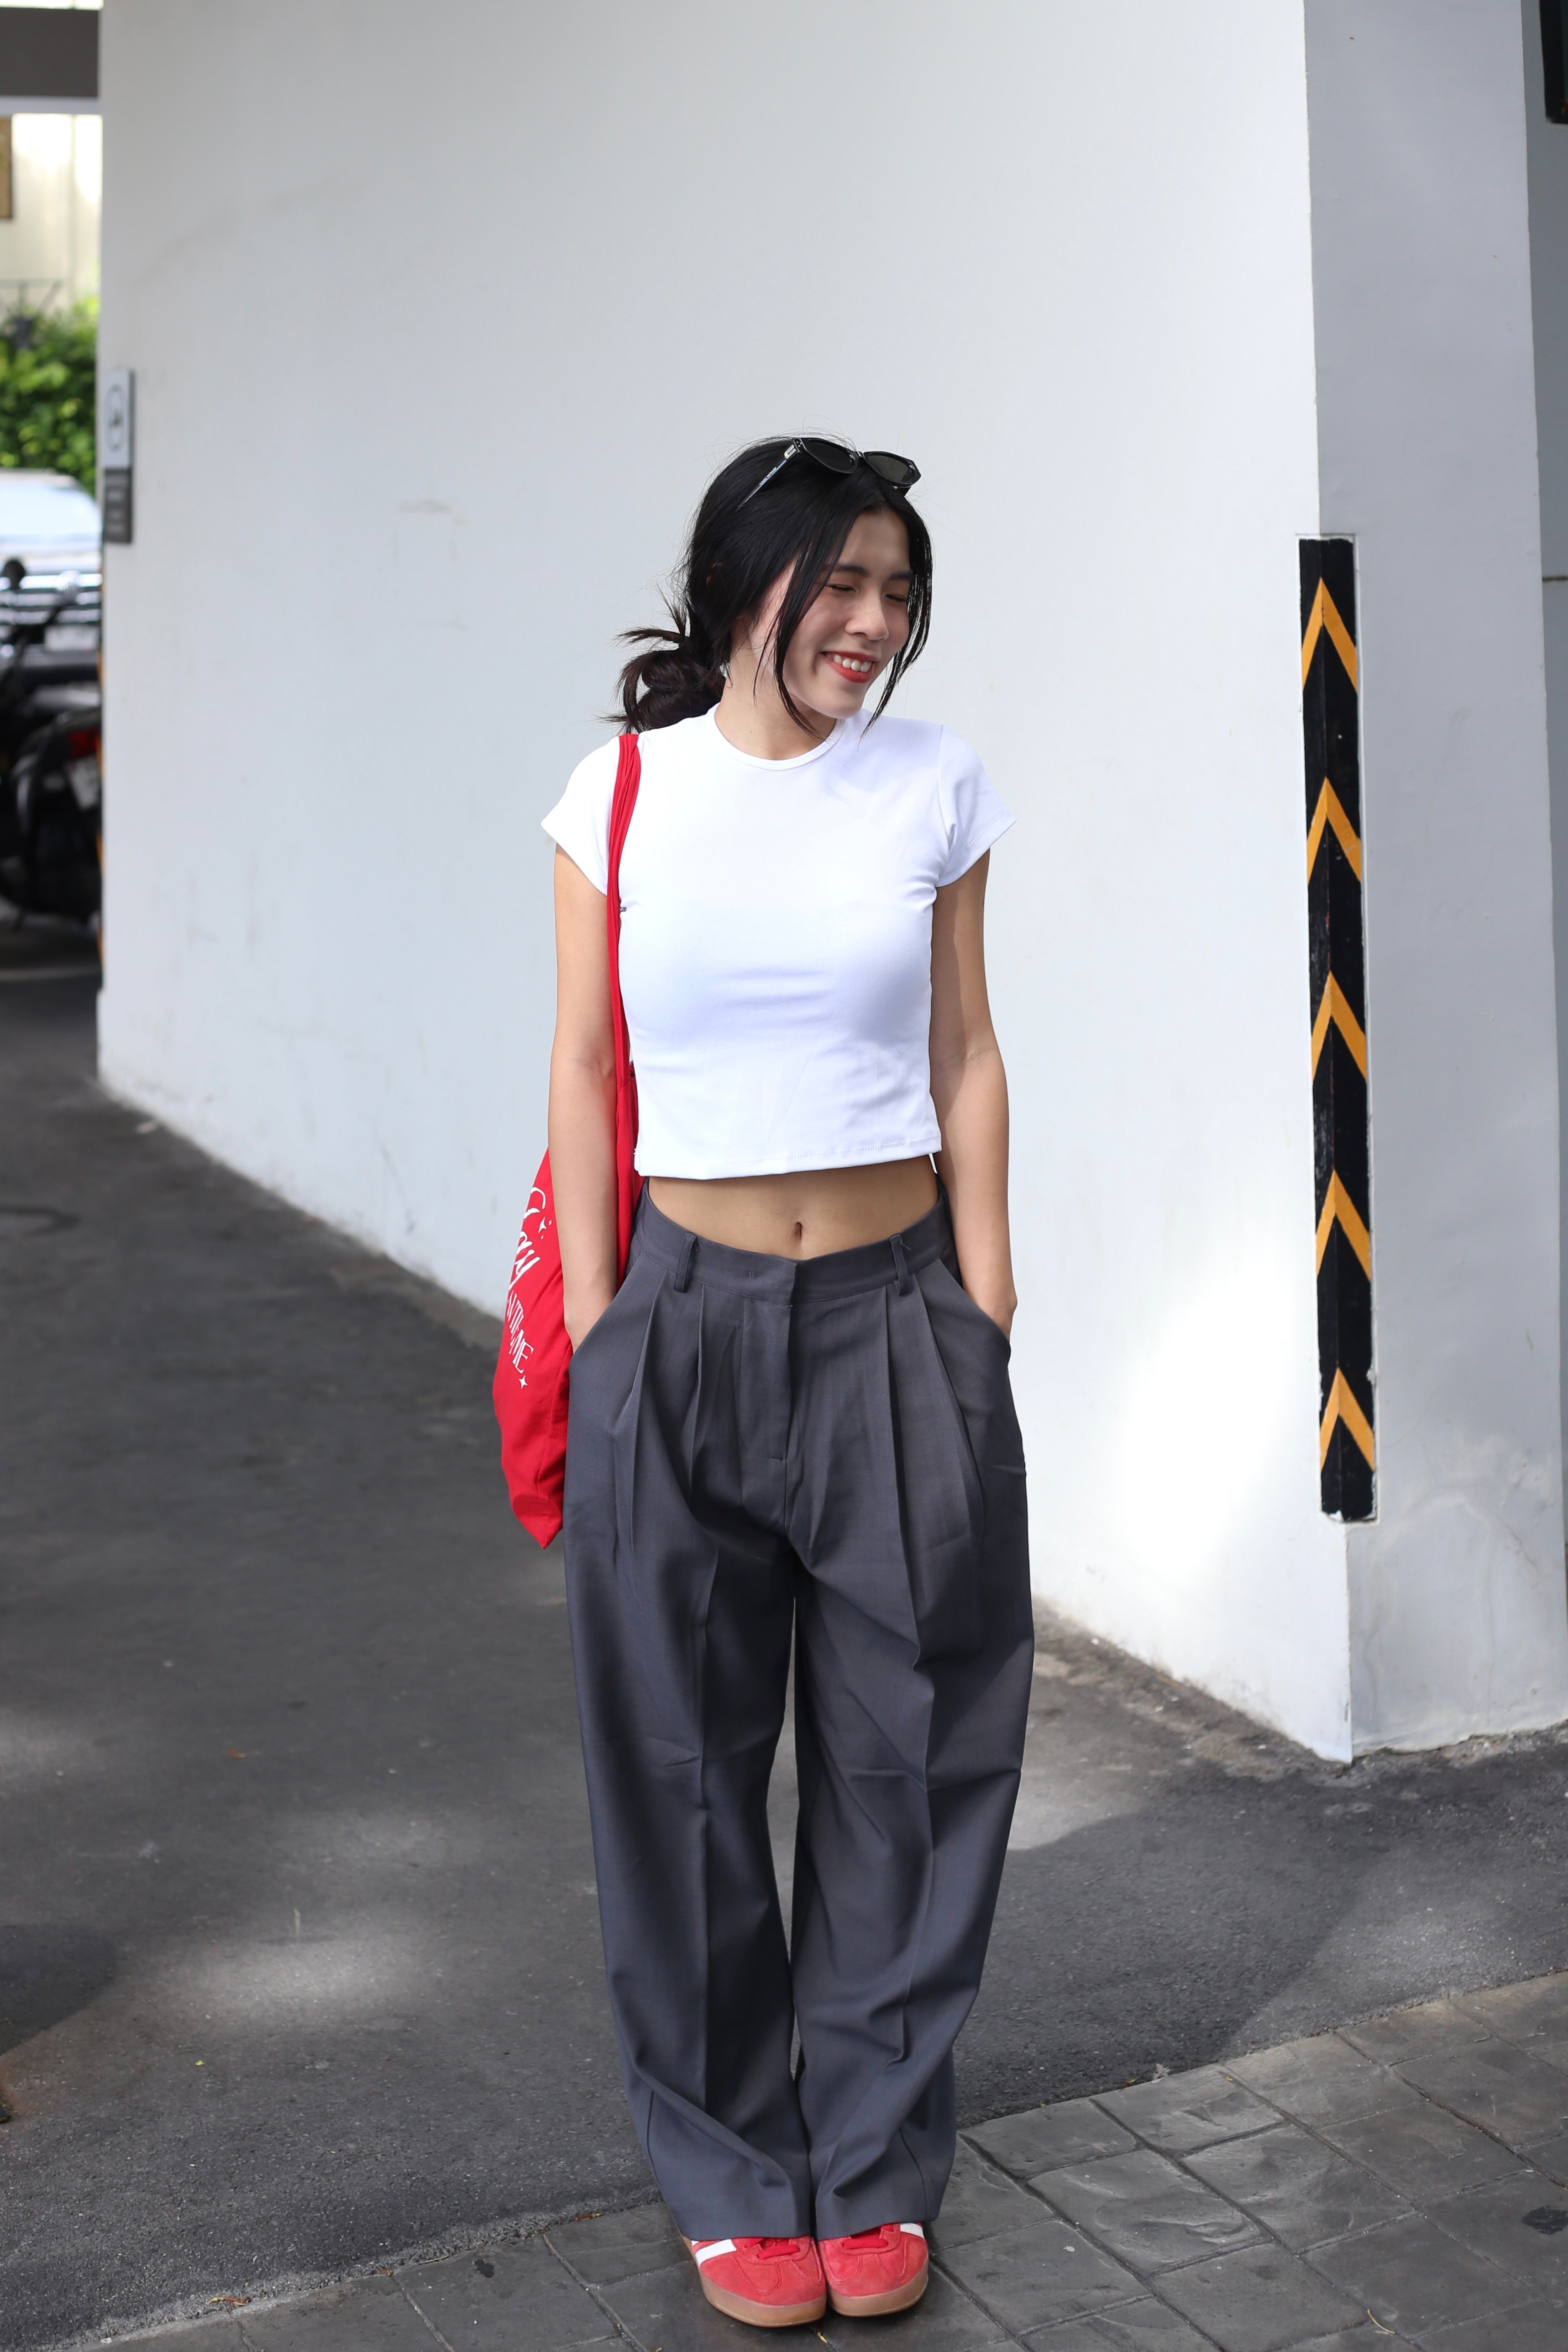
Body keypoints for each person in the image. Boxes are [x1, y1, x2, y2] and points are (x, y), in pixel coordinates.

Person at [542, 436, 1033, 2330]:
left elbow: (966, 1046)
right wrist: (605, 1321)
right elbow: (585, 1066)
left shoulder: (933, 782)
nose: (873, 623)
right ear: (745, 581)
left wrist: (983, 1301)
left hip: (898, 1320)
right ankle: (733, 2173)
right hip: (679, 1322)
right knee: (676, 1768)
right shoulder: (623, 790)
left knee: (916, 1756)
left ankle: (875, 2162)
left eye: (897, 593)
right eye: (841, 584)